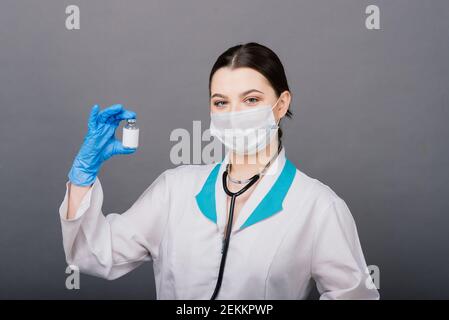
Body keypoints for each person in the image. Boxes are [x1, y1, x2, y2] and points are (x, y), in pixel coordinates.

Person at [59, 42, 380, 300]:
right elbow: (93, 253)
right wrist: (83, 176)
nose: (234, 114)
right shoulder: (175, 190)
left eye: (251, 99)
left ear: (281, 105)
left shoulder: (317, 207)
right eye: (221, 102)